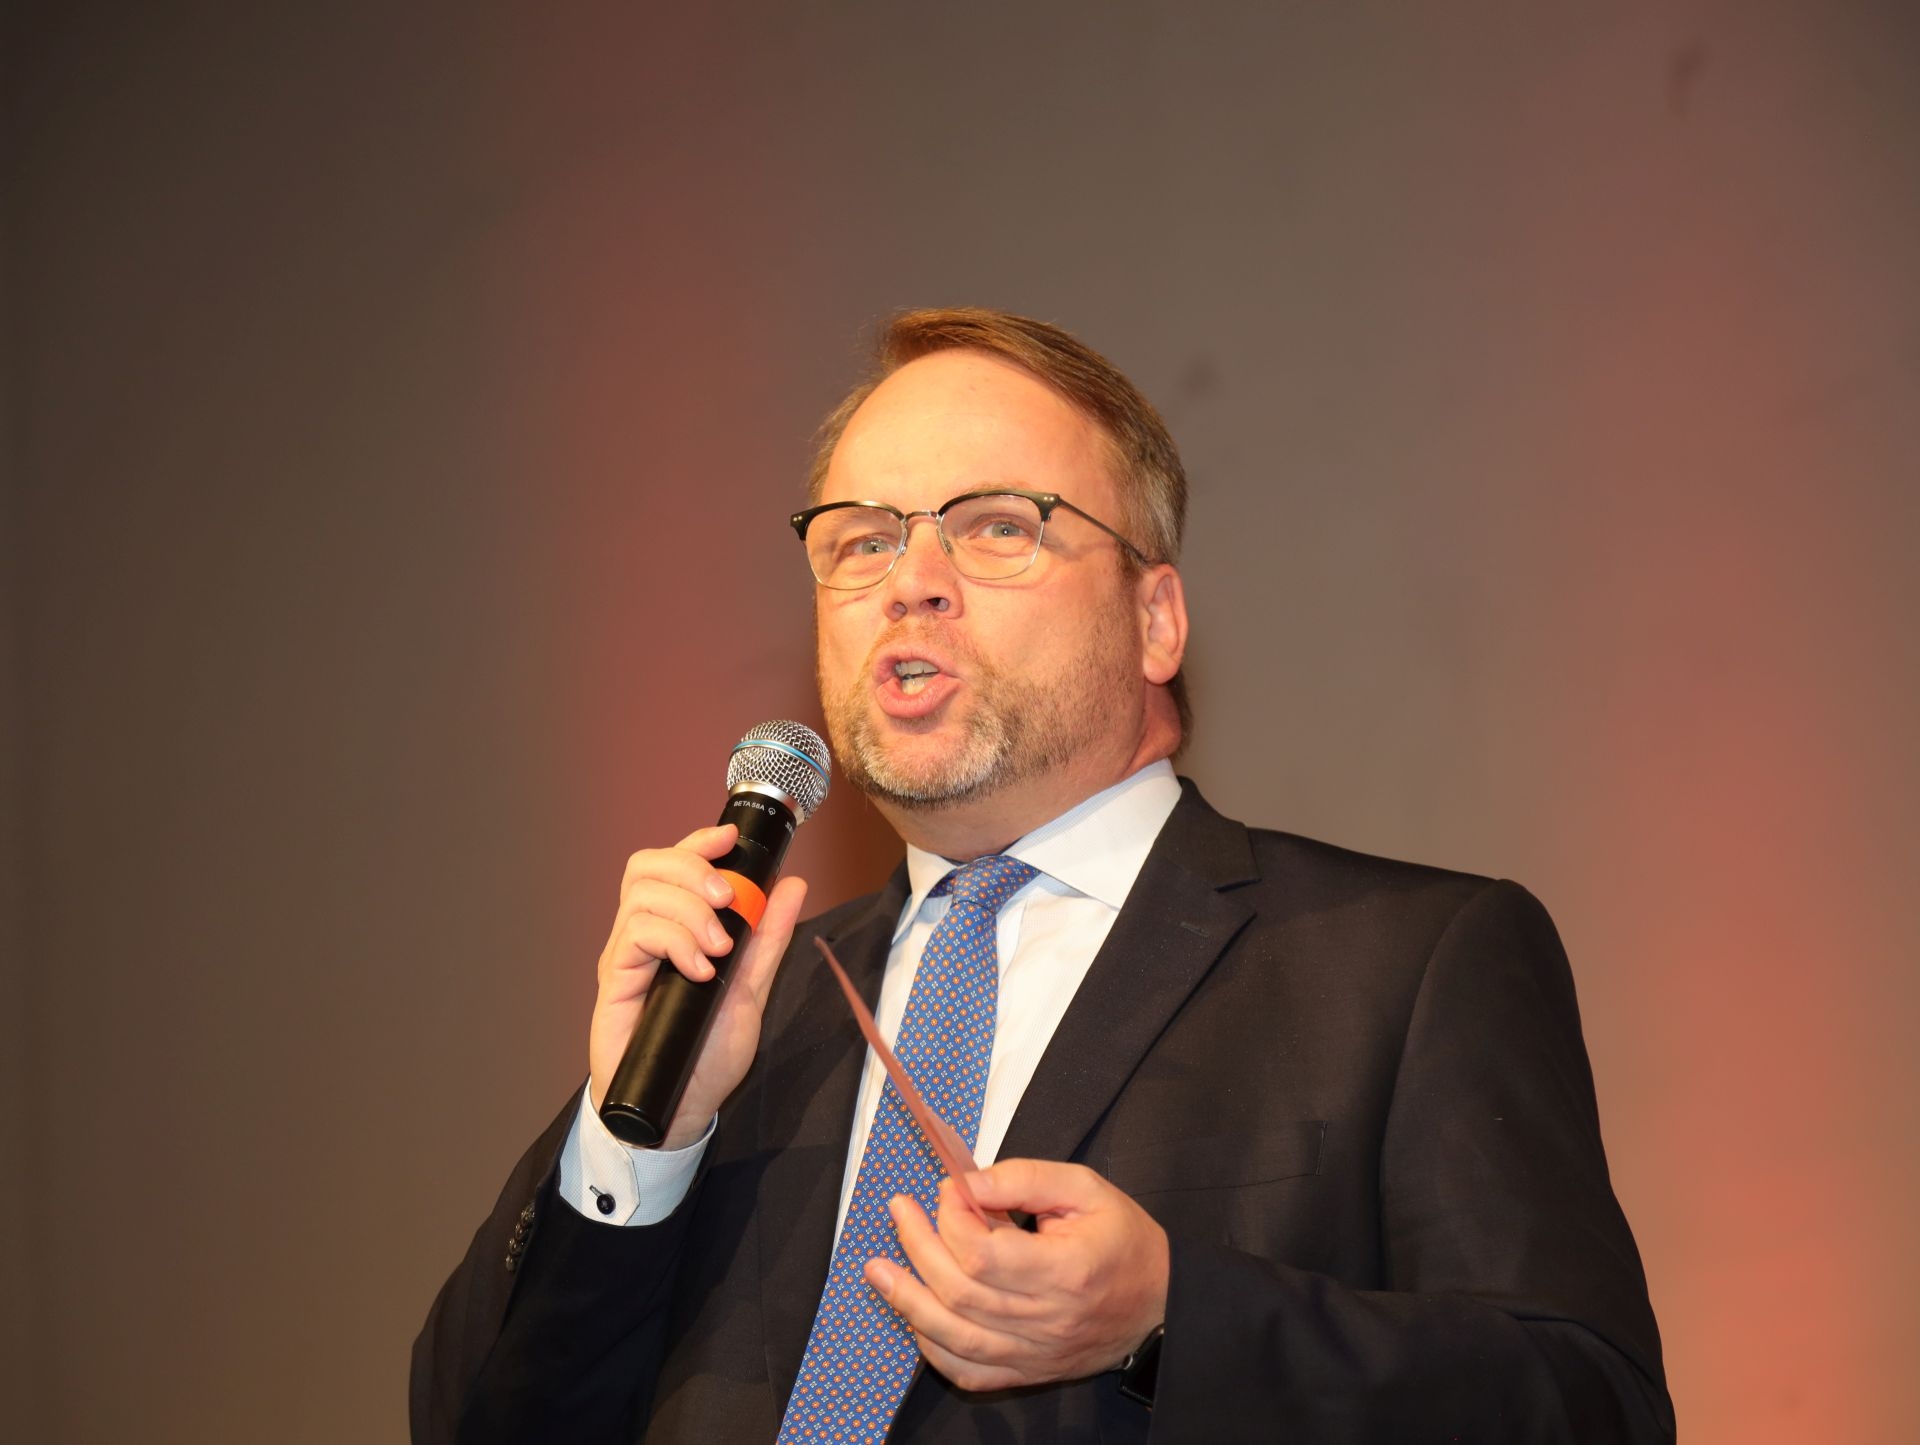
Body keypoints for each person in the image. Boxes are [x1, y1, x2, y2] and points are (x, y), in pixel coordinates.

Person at [412, 308, 1674, 1444]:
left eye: (996, 526)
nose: (910, 583)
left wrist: (1174, 1318)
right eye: (862, 541)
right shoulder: (741, 1008)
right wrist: (635, 1139)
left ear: (1155, 619)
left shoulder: (1404, 961)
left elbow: (1589, 1408)